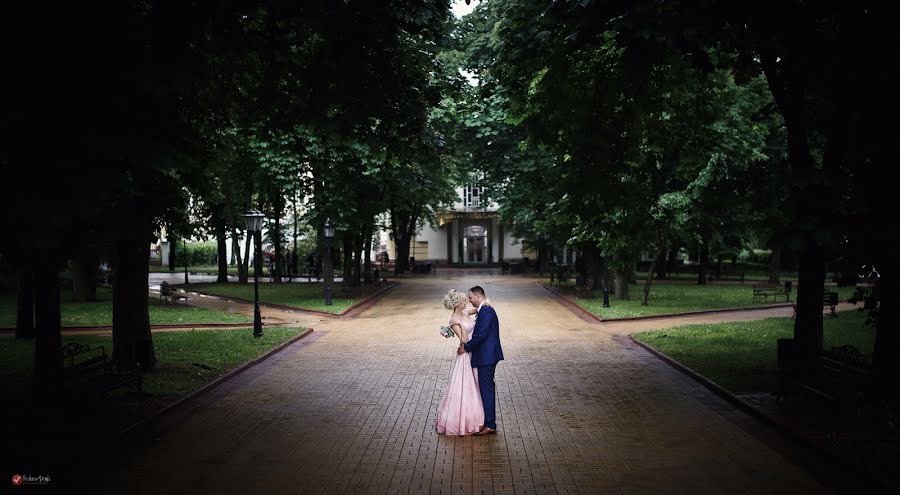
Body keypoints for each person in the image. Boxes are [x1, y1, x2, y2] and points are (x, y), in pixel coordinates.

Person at [435, 289, 484, 435]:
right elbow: (463, 340)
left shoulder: (464, 313)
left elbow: (476, 309)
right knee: (465, 386)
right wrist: (462, 326)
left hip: (473, 351)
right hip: (465, 356)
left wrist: (484, 303)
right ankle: (463, 421)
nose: (466, 302)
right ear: (458, 304)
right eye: (464, 300)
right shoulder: (454, 321)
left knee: (475, 384)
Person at [458, 285, 504, 435]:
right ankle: (487, 421)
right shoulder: (484, 309)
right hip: (486, 355)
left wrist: (466, 348)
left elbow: (480, 335)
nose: (469, 300)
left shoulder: (487, 311)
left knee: (487, 389)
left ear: (477, 296)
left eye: (470, 297)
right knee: (485, 388)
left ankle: (490, 425)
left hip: (487, 356)